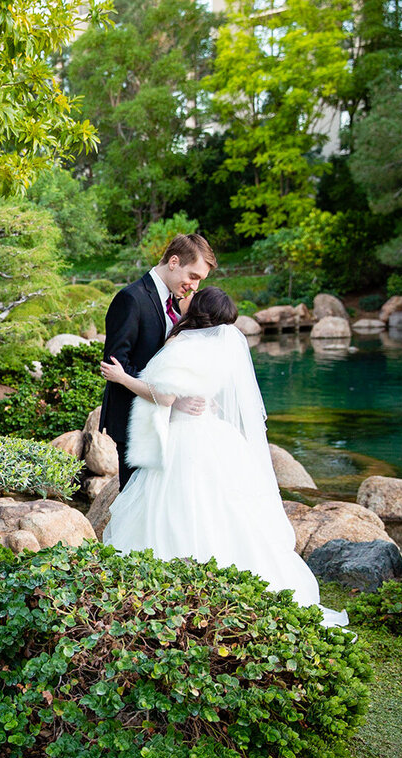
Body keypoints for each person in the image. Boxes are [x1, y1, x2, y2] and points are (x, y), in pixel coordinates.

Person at [100, 287, 348, 627]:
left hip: (185, 439)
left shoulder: (183, 343)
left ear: (197, 310)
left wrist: (123, 378)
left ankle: (179, 589)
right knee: (223, 510)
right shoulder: (226, 345)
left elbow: (167, 397)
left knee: (179, 510)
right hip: (215, 433)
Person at [101, 234, 216, 489]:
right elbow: (115, 364)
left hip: (166, 421)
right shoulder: (131, 299)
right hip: (135, 421)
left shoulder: (177, 303)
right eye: (193, 277)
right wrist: (170, 398)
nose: (195, 286)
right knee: (135, 499)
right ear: (174, 261)